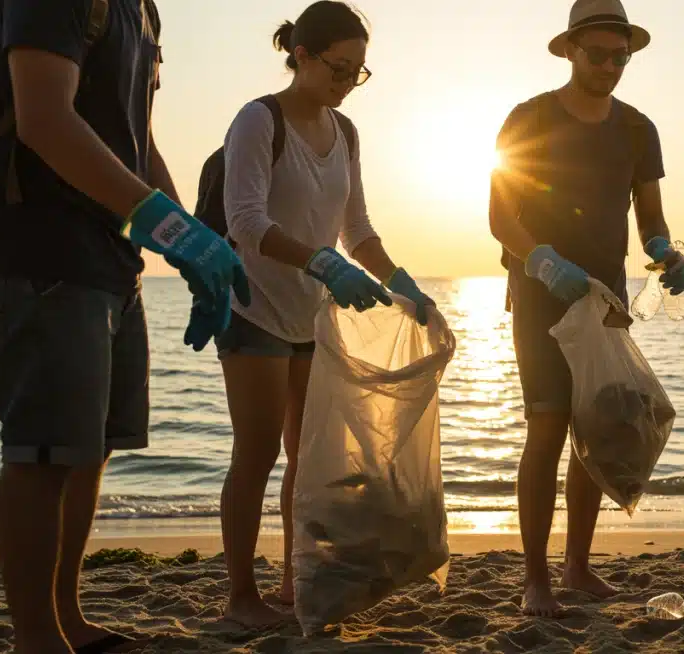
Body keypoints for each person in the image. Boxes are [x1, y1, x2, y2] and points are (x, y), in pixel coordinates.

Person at [0, 1, 249, 652]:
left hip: (112, 263)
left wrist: (187, 241)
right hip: (39, 255)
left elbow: (137, 140)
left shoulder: (143, 10)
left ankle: (65, 616)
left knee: (88, 450)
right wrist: (171, 229)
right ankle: (37, 639)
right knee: (42, 454)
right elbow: (44, 120)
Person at [208, 0, 435, 627]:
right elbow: (245, 222)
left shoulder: (347, 132)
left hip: (313, 316)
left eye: (358, 72)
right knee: (256, 454)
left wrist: (400, 283)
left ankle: (296, 580)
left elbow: (356, 228)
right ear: (301, 56)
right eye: (339, 69)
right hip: (253, 305)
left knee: (309, 459)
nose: (348, 84)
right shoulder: (258, 120)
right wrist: (321, 263)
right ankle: (240, 597)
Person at [489, 0, 684, 617]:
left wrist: (664, 251)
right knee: (547, 427)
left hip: (606, 297)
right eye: (597, 54)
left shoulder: (638, 129)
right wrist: (544, 262)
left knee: (598, 430)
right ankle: (536, 578)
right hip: (540, 295)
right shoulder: (529, 118)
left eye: (619, 57)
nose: (609, 66)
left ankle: (576, 566)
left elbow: (650, 217)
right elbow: (499, 217)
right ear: (571, 50)